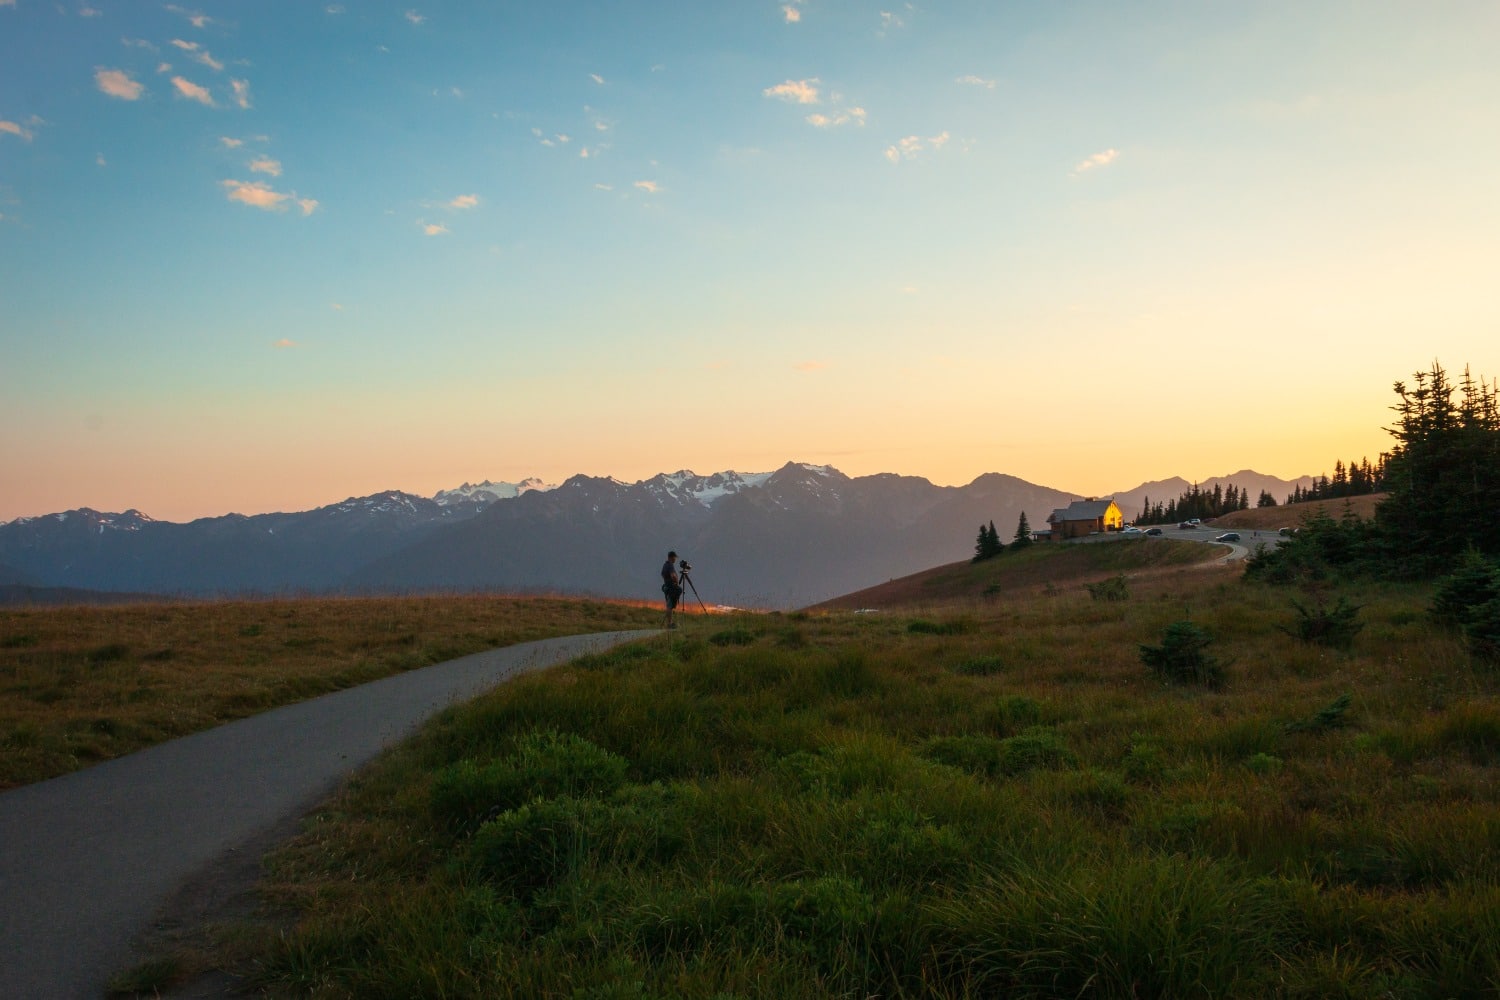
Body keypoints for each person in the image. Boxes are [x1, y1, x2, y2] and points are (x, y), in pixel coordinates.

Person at [660, 550, 682, 629]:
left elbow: (662, 574)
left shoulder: (665, 565)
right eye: (674, 558)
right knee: (670, 606)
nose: (675, 559)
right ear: (671, 557)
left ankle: (670, 623)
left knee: (669, 605)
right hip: (671, 587)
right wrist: (676, 581)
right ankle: (669, 624)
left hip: (667, 586)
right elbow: (673, 575)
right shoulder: (670, 565)